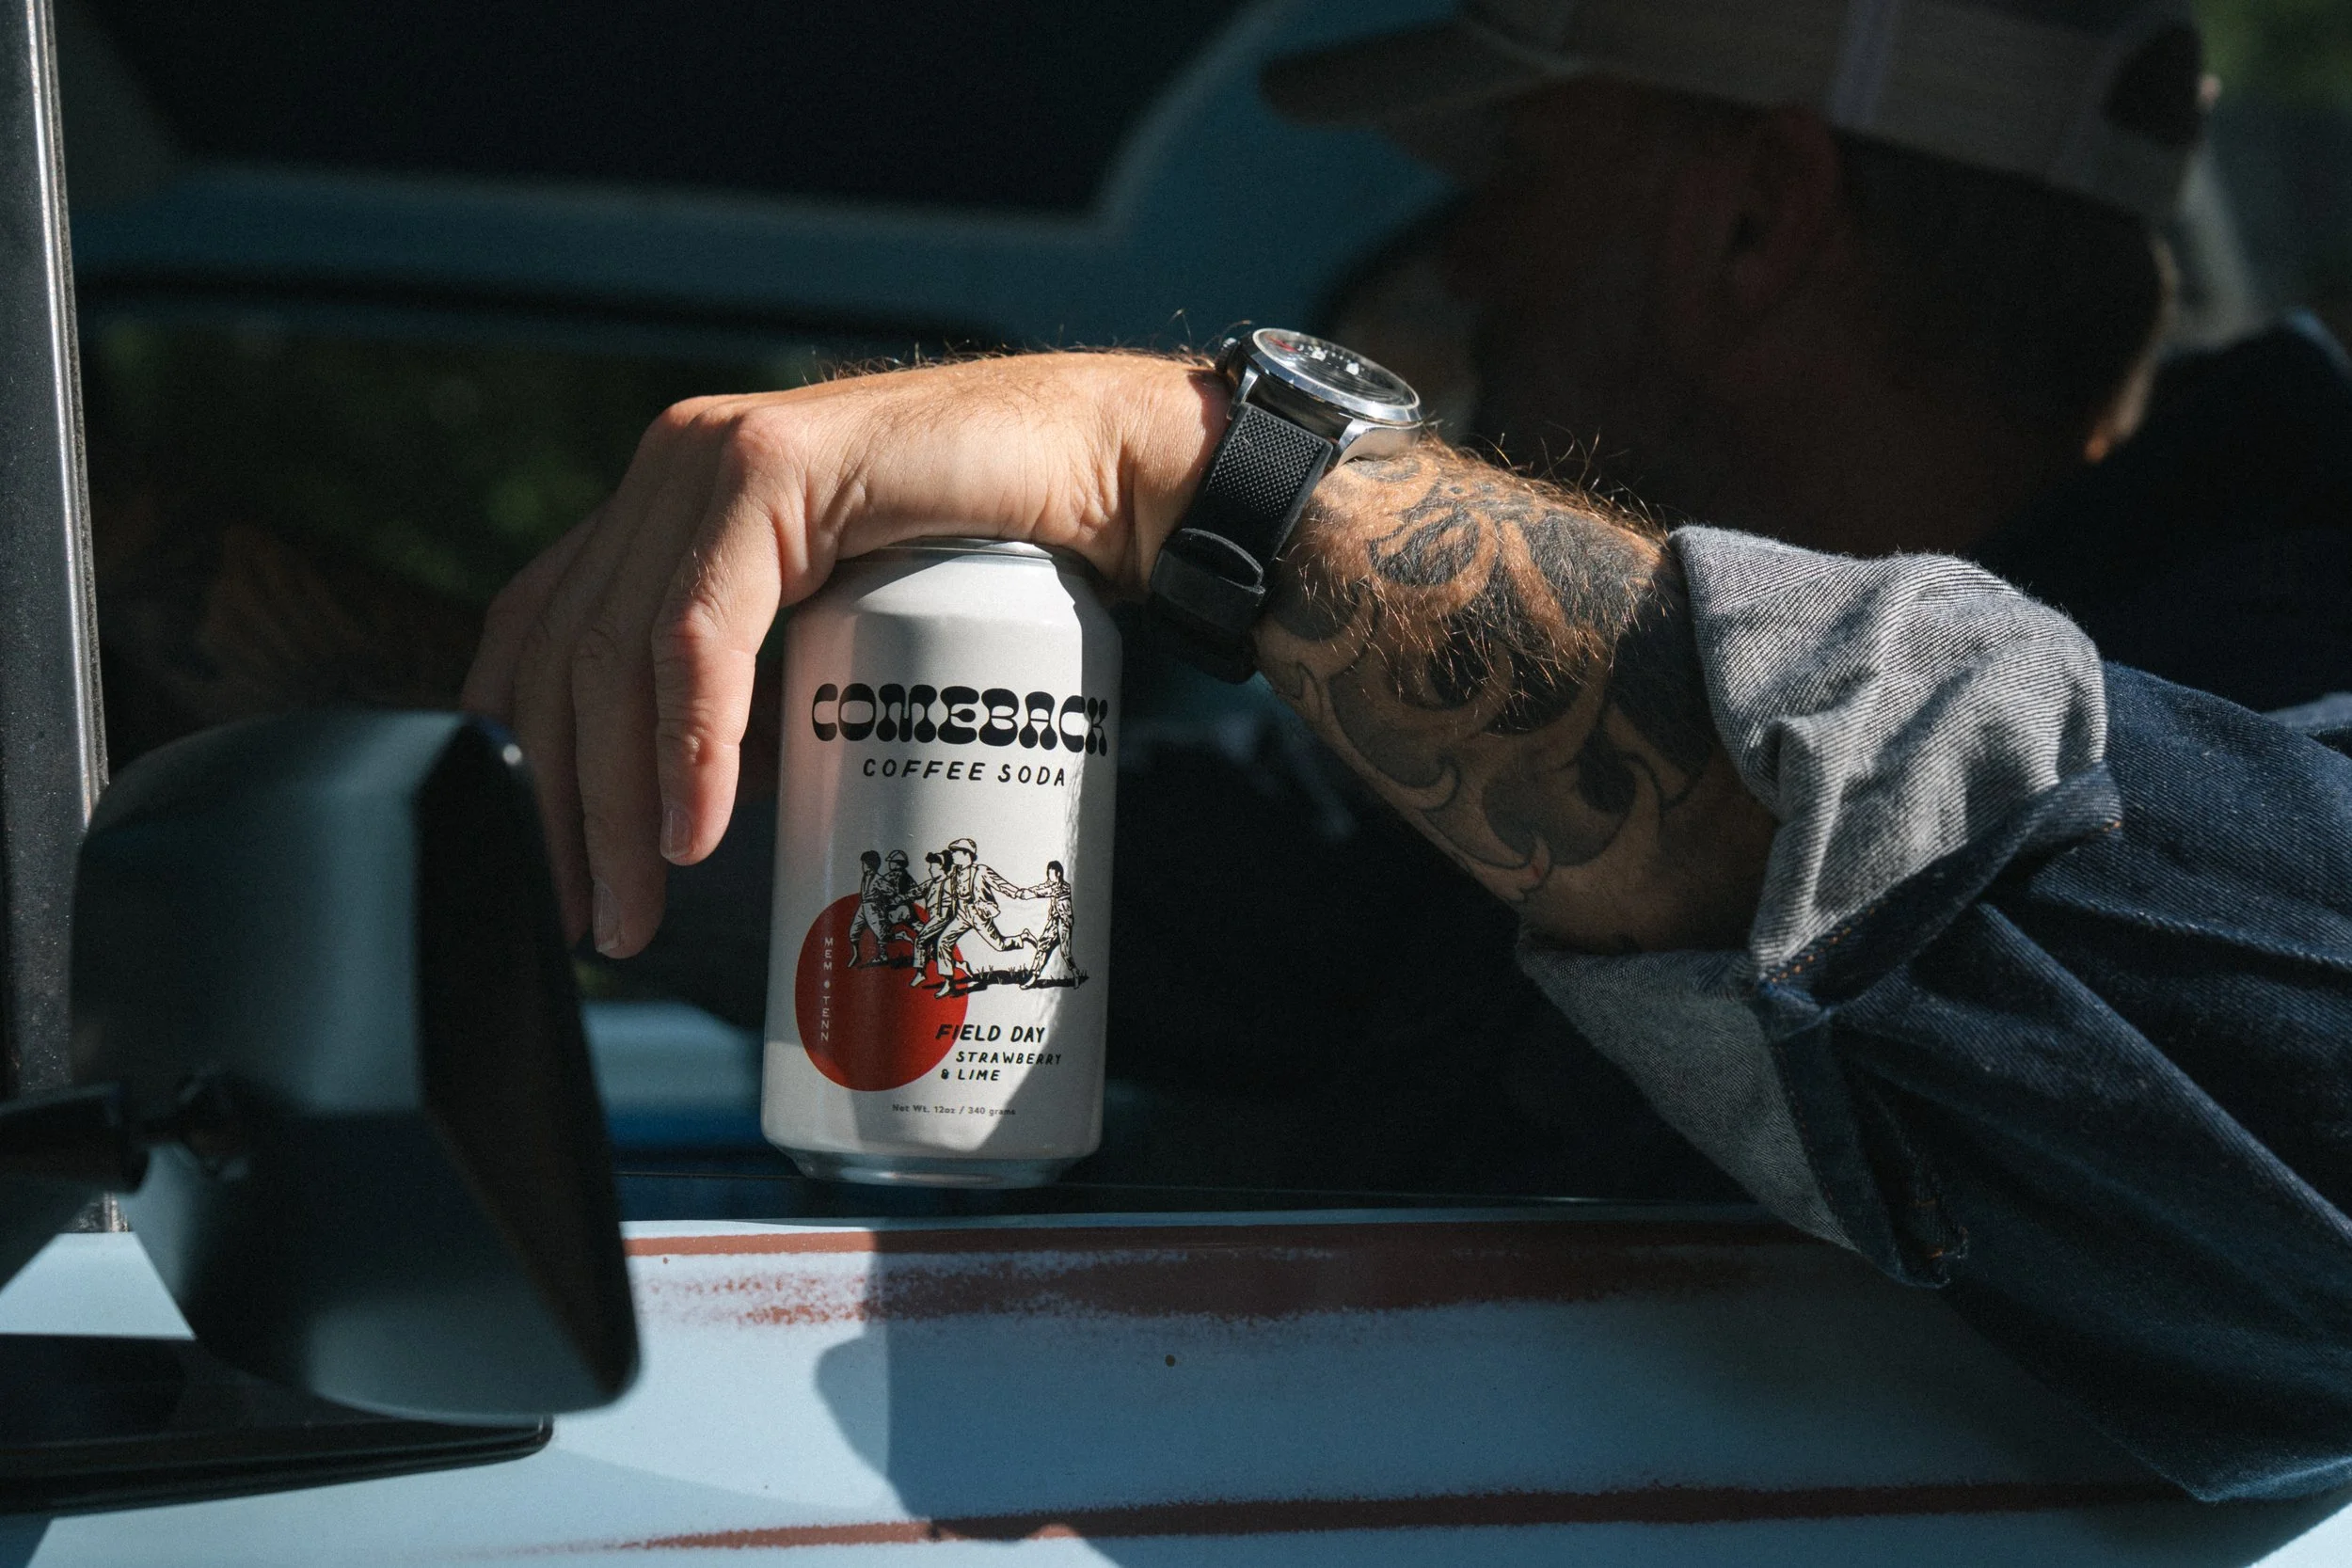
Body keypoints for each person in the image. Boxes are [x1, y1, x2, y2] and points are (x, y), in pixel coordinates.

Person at [462, 0, 2352, 1504]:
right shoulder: (1436, 819)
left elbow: (2255, 1053)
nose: (1460, 268)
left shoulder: (2285, 663)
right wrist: (434, 699)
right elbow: (1186, 904)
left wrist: (1222, 470)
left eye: (1511, 172)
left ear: (1752, 218)